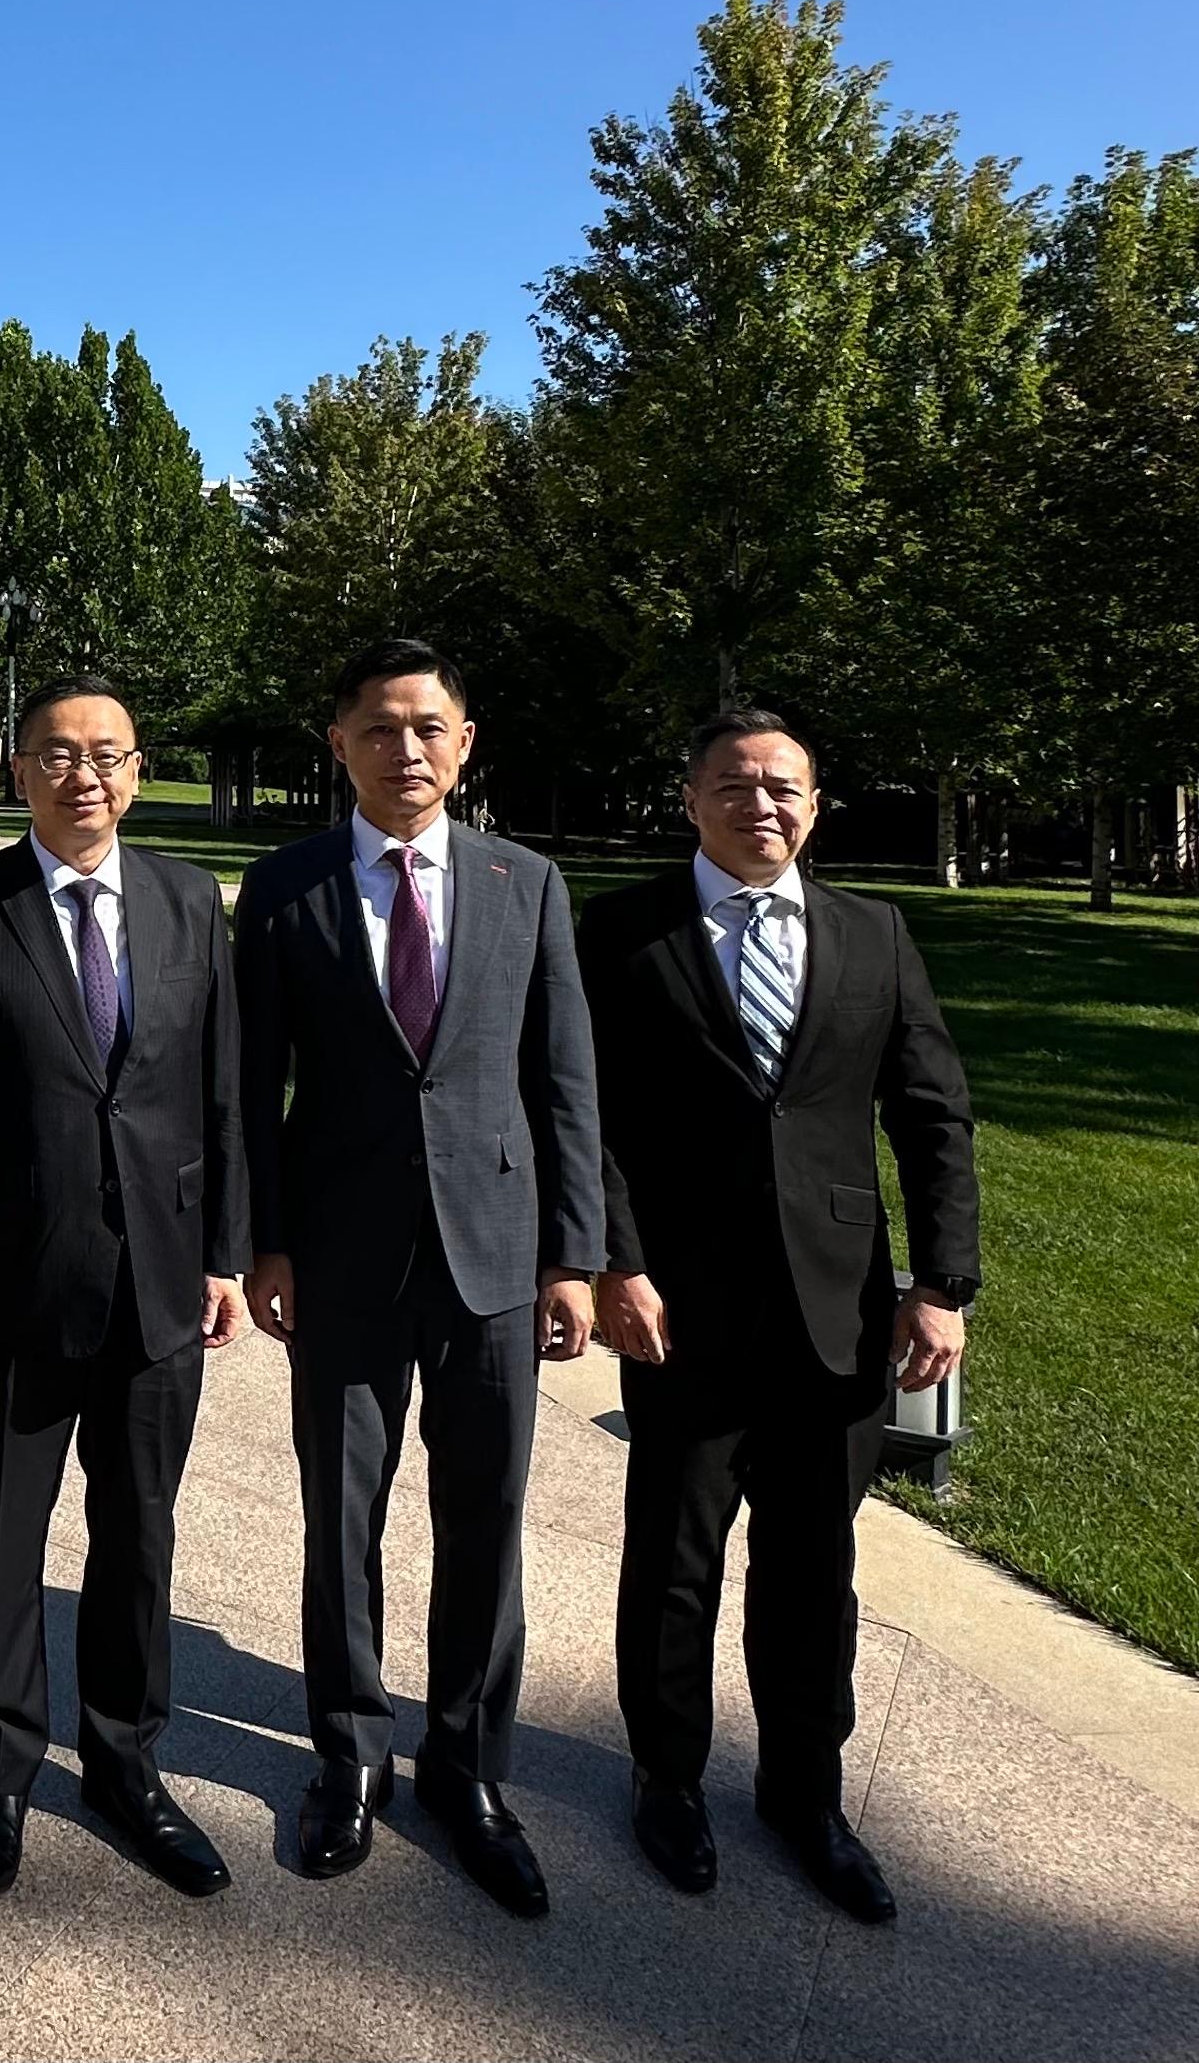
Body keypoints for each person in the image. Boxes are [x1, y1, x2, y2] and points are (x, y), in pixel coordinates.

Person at [579, 710, 979, 1924]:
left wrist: (944, 1282)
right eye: (735, 784)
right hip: (679, 1312)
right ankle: (668, 1778)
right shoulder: (623, 931)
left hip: (840, 1315)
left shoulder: (874, 932)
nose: (762, 805)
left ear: (815, 803)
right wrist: (614, 1262)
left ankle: (808, 1795)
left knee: (816, 1569)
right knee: (675, 1564)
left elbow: (931, 1110)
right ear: (689, 796)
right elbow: (581, 1111)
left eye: (785, 787)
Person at [235, 639, 603, 1918]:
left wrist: (577, 1254)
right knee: (343, 1520)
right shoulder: (282, 890)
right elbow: (251, 1090)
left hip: (496, 1254)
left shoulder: (526, 884)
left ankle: (468, 1768)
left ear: (465, 739)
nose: (407, 749)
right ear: (337, 741)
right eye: (380, 727)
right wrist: (263, 1240)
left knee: (485, 1519)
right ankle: (350, 1756)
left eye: (429, 726)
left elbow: (566, 1082)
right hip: (337, 1255)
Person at [0, 677, 249, 1903]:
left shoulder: (187, 898)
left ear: (139, 770)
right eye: (58, 753)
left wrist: (226, 1252)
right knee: (5, 1537)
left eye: (106, 754)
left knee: (139, 1534)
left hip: (160, 1278)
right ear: (19, 769)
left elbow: (221, 1090)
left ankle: (126, 1760)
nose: (83, 774)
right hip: (8, 1281)